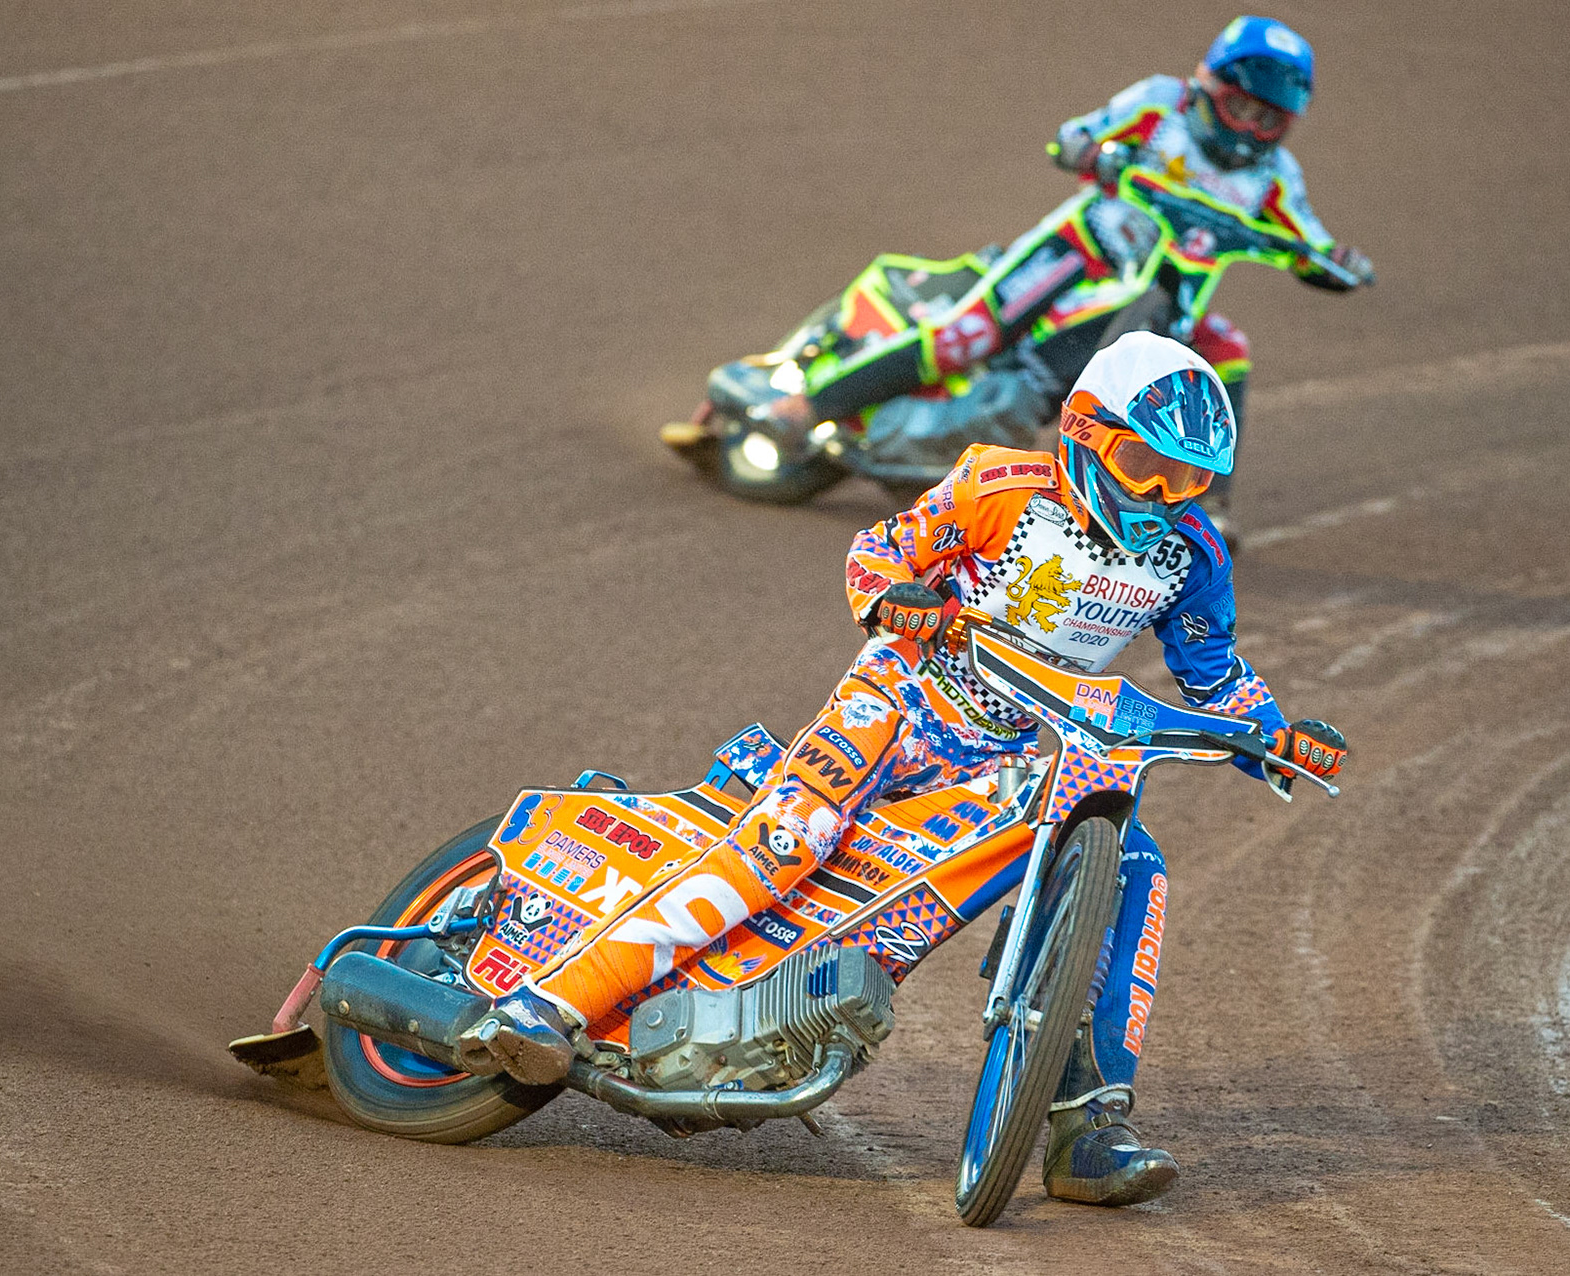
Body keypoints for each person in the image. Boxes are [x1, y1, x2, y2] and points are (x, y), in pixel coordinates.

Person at [473, 333, 1347, 1206]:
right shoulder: (998, 487)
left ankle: (1087, 1125)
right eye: (1144, 463)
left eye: (1188, 478)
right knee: (792, 838)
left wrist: (1277, 737)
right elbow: (881, 549)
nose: (1161, 495)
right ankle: (551, 1003)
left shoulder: (1192, 556)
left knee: (1135, 870)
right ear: (1083, 430)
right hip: (898, 700)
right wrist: (895, 597)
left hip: (1002, 751)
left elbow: (1217, 674)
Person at [757, 14, 1373, 549]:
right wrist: (1095, 156)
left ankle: (1207, 507)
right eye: (1237, 106)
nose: (1246, 129)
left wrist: (1341, 262)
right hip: (1080, 251)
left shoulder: (1275, 179)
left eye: (1266, 119)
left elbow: (1311, 243)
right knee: (966, 336)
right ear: (1206, 87)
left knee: (1226, 352)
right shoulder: (1160, 105)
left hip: (1168, 291)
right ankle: (809, 405)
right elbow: (1075, 135)